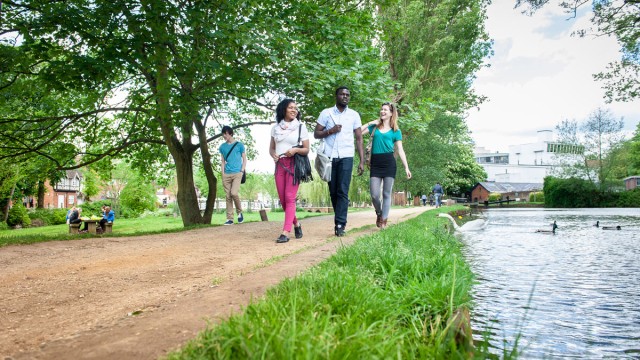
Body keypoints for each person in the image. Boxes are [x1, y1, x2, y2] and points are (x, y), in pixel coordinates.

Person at [314, 86, 364, 236]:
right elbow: (316, 134)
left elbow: (359, 138)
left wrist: (362, 161)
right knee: (333, 191)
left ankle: (340, 224)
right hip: (329, 158)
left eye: (347, 94)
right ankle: (339, 220)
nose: (345, 96)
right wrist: (330, 130)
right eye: (342, 94)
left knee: (343, 190)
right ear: (336, 96)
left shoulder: (354, 115)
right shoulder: (326, 113)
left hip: (347, 156)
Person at [360, 102, 411, 229]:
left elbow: (400, 150)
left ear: (391, 113)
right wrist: (372, 122)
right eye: (381, 109)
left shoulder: (396, 131)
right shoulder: (375, 127)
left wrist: (406, 167)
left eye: (385, 110)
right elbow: (358, 132)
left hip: (389, 163)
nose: (382, 111)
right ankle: (379, 213)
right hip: (376, 163)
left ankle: (383, 220)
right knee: (374, 194)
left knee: (387, 194)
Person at [269, 99, 310, 243]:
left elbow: (306, 149)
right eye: (290, 107)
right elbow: (272, 147)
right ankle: (297, 224)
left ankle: (286, 232)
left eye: (295, 108)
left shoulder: (300, 127)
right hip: (280, 164)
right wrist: (273, 154)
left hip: (294, 164)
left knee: (289, 197)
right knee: (283, 200)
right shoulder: (275, 128)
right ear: (283, 110)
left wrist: (295, 150)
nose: (294, 110)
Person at [219, 125, 247, 225]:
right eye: (223, 134)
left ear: (230, 133)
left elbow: (244, 159)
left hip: (237, 173)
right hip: (226, 174)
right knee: (228, 196)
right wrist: (222, 174)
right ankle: (230, 218)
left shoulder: (240, 145)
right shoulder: (222, 147)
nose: (224, 136)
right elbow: (222, 161)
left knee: (234, 193)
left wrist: (242, 170)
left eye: (225, 134)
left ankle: (239, 213)